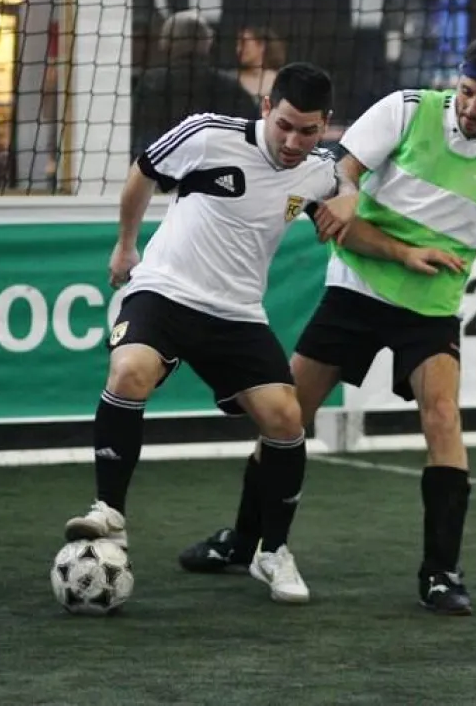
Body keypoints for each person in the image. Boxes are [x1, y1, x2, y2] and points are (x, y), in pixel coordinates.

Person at [178, 36, 476, 616]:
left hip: (432, 309)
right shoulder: (404, 110)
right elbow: (333, 188)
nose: (473, 107)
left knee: (443, 418)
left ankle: (441, 573)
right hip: (356, 291)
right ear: (458, 81)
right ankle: (246, 541)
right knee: (288, 415)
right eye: (467, 92)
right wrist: (390, 244)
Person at [64, 62, 349, 605]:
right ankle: (110, 515)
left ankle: (272, 551)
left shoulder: (317, 169)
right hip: (165, 291)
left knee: (287, 418)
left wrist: (351, 194)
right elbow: (143, 172)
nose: (293, 141)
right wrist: (126, 245)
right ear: (266, 107)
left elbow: (345, 177)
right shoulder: (207, 133)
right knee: (129, 372)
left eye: (307, 131)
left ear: (323, 125)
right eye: (284, 124)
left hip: (238, 312)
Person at [131, 11, 258, 158]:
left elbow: (140, 145)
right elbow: (251, 141)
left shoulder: (151, 85)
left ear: (165, 45)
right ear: (207, 43)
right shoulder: (231, 88)